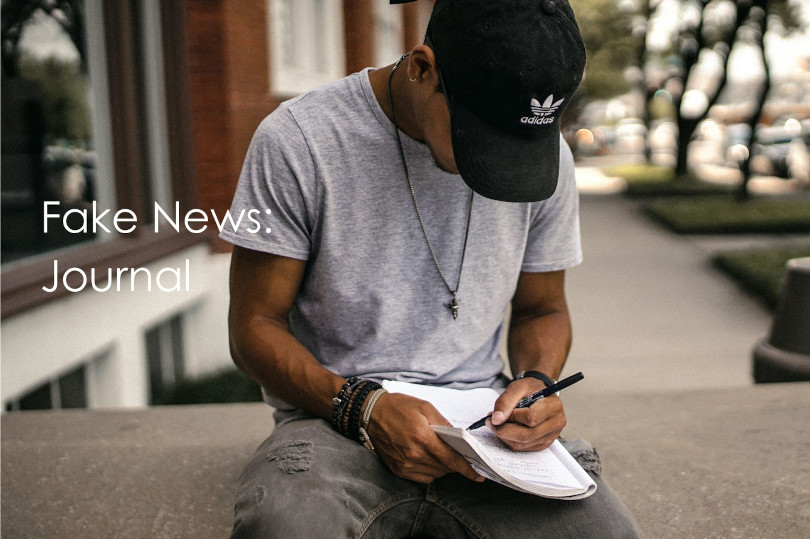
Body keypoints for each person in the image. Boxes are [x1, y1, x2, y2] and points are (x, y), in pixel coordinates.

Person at [222, 0, 643, 536]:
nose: (500, 163)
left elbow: (543, 306)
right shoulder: (299, 140)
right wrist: (363, 407)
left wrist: (538, 383)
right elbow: (253, 327)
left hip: (486, 432)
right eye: (481, 136)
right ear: (423, 68)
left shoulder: (547, 155)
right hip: (335, 420)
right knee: (288, 527)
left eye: (518, 141)